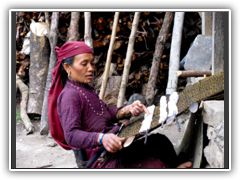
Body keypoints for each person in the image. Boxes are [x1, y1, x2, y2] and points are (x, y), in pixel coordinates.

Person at [48, 41, 192, 168]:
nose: (91, 68)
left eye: (92, 63)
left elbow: (105, 113)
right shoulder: (69, 96)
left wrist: (127, 109)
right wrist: (101, 138)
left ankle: (174, 165)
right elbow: (71, 135)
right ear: (67, 68)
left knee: (160, 142)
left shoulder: (86, 88)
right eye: (84, 64)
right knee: (154, 164)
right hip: (101, 159)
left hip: (116, 145)